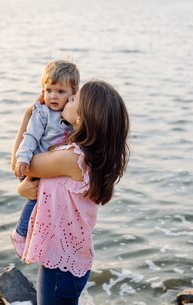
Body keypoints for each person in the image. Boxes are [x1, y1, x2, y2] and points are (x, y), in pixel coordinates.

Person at [14, 80, 130, 305]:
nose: (68, 98)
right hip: (67, 256)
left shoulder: (71, 158)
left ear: (83, 117)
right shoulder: (88, 156)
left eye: (74, 98)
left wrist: (28, 119)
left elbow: (18, 165)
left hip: (61, 265)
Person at [10, 60, 80, 257]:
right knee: (36, 202)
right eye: (48, 90)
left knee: (47, 203)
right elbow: (30, 136)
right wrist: (23, 159)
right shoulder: (42, 113)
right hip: (33, 163)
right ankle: (20, 233)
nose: (53, 96)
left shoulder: (71, 115)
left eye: (60, 91)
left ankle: (37, 236)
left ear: (73, 94)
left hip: (50, 167)